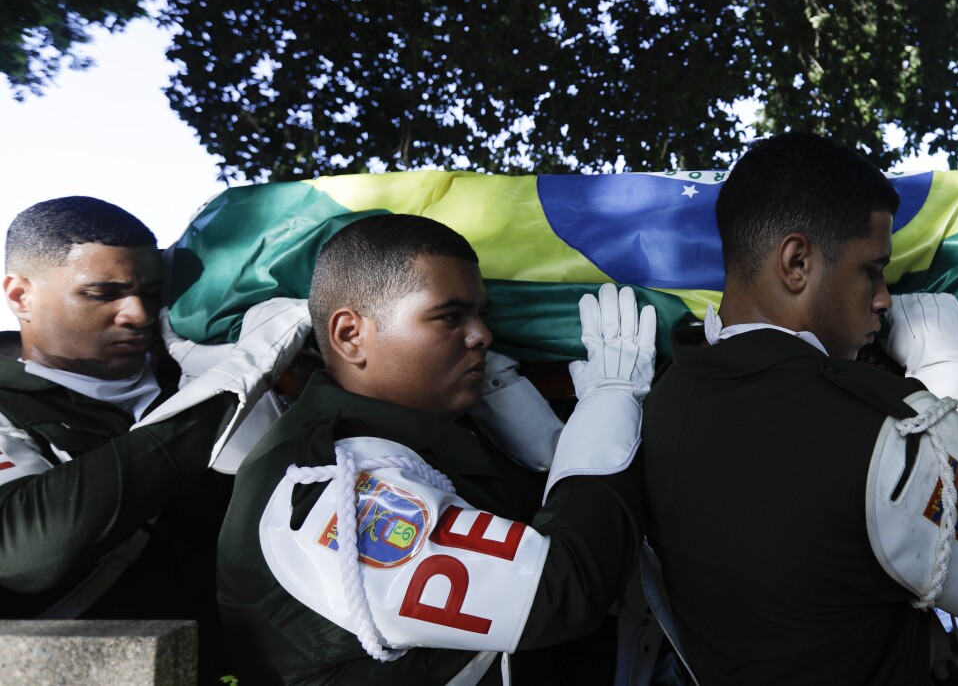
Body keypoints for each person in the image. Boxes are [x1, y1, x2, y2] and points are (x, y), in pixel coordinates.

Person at [641, 133, 958, 685]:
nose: (884, 298)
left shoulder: (663, 398)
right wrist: (946, 368)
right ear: (796, 263)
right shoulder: (880, 430)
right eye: (872, 269)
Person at [217, 213, 652, 685]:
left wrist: (541, 443)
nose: (482, 335)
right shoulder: (325, 477)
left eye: (481, 314)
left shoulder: (435, 432)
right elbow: (559, 590)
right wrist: (610, 403)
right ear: (350, 336)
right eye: (449, 317)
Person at [0, 196, 306, 676]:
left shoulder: (198, 364)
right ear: (20, 296)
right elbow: (26, 552)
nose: (138, 314)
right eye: (103, 293)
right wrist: (222, 396)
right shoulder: (8, 406)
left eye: (151, 291)